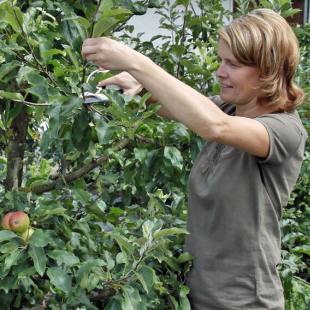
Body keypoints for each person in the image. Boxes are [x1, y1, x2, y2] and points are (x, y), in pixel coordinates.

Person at [82, 8, 308, 310]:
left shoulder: (283, 129)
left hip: (245, 302)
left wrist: (135, 60)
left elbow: (214, 126)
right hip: (194, 296)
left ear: (268, 70)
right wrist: (135, 83)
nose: (219, 72)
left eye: (233, 64)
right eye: (219, 60)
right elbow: (178, 103)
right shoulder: (229, 109)